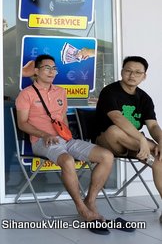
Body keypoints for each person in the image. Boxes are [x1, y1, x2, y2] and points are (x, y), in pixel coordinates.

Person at [15, 54, 114, 224]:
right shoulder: (26, 94)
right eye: (47, 68)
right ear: (36, 71)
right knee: (67, 161)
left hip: (66, 140)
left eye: (54, 68)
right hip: (41, 141)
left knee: (107, 156)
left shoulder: (61, 91)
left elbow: (63, 120)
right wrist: (44, 135)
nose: (52, 71)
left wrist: (67, 137)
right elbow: (22, 124)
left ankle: (90, 200)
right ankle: (81, 208)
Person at [95, 56, 162, 221]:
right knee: (114, 130)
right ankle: (150, 152)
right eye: (128, 71)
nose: (132, 75)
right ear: (122, 72)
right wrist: (141, 140)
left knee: (160, 157)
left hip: (134, 146)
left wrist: (161, 141)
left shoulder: (144, 98)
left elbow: (153, 126)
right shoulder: (110, 92)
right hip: (108, 142)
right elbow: (117, 118)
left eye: (138, 72)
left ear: (144, 76)